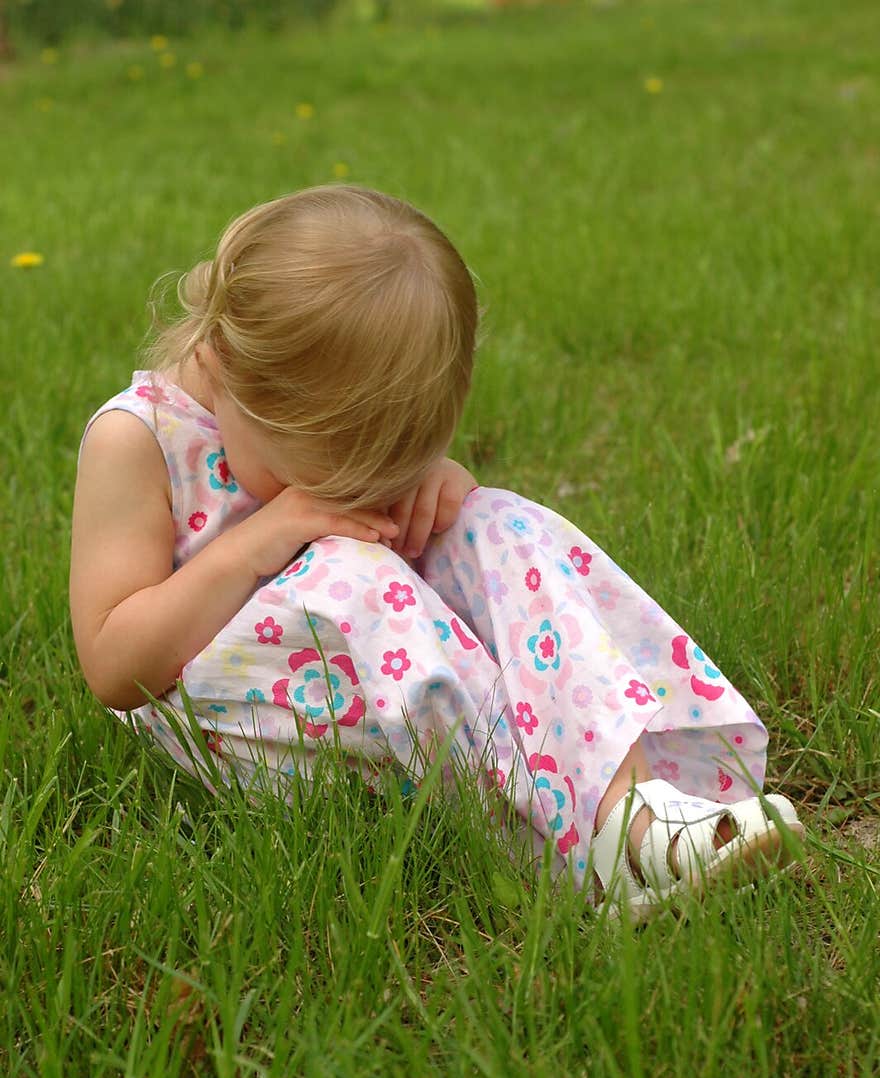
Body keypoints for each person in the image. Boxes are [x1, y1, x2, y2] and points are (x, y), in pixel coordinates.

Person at [69, 185, 804, 919]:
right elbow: (111, 666)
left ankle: (633, 810)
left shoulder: (323, 404)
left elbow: (410, 516)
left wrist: (433, 489)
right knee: (352, 568)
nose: (359, 500)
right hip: (229, 713)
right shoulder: (137, 441)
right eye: (324, 481)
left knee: (495, 522)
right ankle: (568, 857)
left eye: (386, 475)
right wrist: (251, 548)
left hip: (369, 666)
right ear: (223, 365)